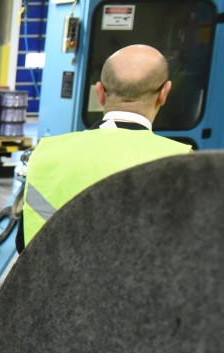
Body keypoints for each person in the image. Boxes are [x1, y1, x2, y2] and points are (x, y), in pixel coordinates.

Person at [22, 44, 192, 246]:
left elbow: (24, 241)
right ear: (164, 93)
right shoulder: (180, 160)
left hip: (48, 266)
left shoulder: (46, 153)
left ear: (100, 92)